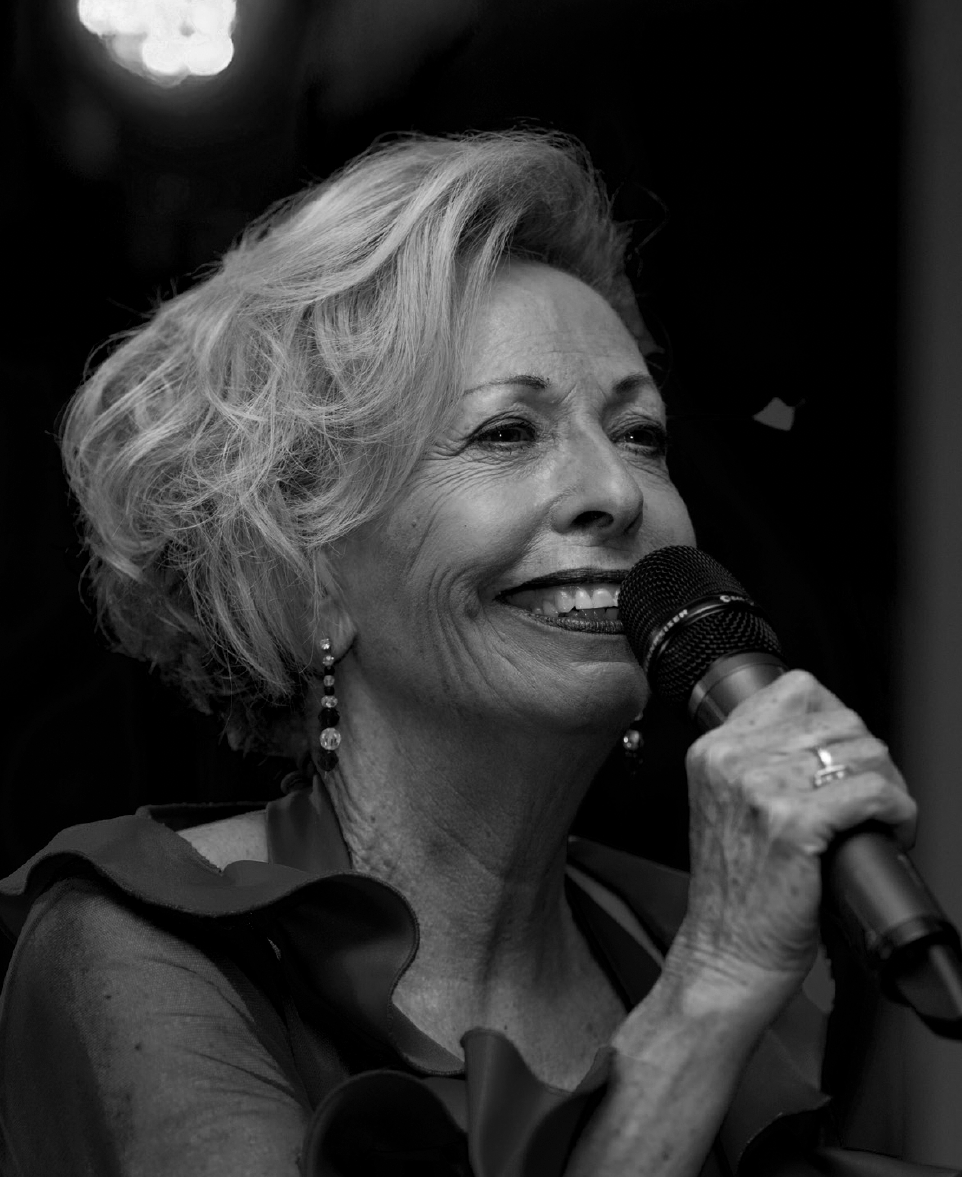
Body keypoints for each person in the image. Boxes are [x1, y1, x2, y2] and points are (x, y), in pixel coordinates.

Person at [0, 130, 921, 1176]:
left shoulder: (683, 938)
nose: (616, 492)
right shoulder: (139, 946)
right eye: (505, 433)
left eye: (639, 434)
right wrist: (710, 988)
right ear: (305, 572)